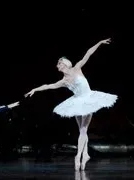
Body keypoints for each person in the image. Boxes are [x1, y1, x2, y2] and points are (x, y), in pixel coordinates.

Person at [25, 38, 117, 171]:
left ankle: (79, 155)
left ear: (64, 64)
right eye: (58, 65)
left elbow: (88, 53)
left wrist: (99, 43)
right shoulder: (63, 81)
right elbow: (48, 86)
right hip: (77, 102)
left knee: (83, 130)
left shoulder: (77, 68)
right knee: (82, 130)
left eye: (59, 64)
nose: (58, 66)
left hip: (88, 99)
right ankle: (84, 155)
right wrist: (35, 89)